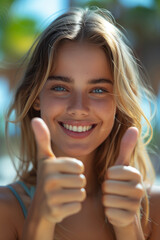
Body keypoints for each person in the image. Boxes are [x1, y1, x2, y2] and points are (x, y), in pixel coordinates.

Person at [0, 6, 159, 240]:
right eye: (60, 87)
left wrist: (129, 228)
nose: (78, 108)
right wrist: (38, 222)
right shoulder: (6, 210)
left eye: (98, 90)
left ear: (119, 102)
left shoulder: (153, 210)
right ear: (36, 98)